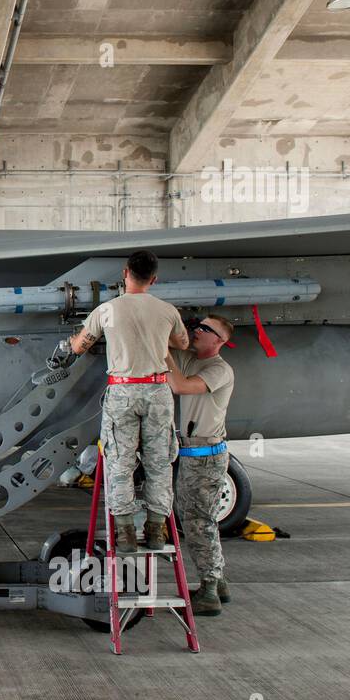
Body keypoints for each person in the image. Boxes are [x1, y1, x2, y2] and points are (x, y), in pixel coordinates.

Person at [47, 250, 190, 553]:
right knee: (160, 463)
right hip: (157, 391)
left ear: (125, 273)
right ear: (154, 278)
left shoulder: (107, 310)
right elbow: (182, 343)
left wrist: (73, 341)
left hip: (123, 392)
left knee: (120, 464)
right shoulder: (166, 310)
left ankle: (124, 531)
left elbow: (78, 346)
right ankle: (155, 529)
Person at [166, 315, 236, 616]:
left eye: (207, 329)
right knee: (199, 519)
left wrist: (163, 352)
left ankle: (209, 591)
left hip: (205, 456)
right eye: (199, 325)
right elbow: (167, 346)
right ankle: (217, 581)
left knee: (198, 522)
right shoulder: (191, 358)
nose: (199, 331)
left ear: (219, 341)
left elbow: (180, 386)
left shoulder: (219, 369)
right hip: (194, 453)